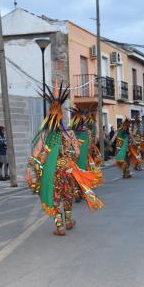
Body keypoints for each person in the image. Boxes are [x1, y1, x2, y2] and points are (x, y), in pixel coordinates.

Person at [25, 84, 103, 236]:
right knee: (68, 196)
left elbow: (36, 152)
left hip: (51, 171)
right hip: (67, 170)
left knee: (54, 197)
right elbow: (78, 152)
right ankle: (68, 220)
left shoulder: (45, 133)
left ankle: (59, 226)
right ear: (61, 114)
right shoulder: (70, 133)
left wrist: (30, 167)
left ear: (49, 114)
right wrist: (70, 159)